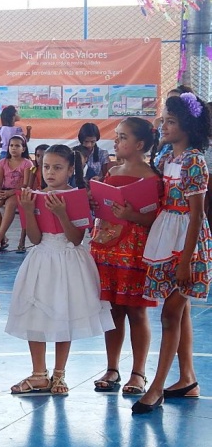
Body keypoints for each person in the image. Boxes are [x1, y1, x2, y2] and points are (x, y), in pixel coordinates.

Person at [7, 145, 114, 395]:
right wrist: (27, 210)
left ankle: (59, 373)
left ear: (70, 170)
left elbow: (75, 238)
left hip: (68, 260)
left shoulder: (76, 196)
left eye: (57, 167)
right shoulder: (35, 196)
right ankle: (38, 373)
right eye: (46, 167)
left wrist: (61, 213)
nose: (50, 172)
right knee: (35, 313)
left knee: (63, 313)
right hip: (41, 259)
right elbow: (35, 238)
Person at [133, 93, 212, 414]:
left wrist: (185, 260)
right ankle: (187, 379)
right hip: (166, 235)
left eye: (171, 121)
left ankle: (156, 387)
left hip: (186, 242)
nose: (163, 126)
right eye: (163, 120)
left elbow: (196, 215)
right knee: (180, 311)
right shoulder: (167, 156)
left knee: (170, 314)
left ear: (188, 127)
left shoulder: (194, 160)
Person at [90, 117, 162, 396]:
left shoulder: (153, 178)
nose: (116, 141)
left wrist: (132, 215)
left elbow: (157, 218)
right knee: (113, 310)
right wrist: (96, 201)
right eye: (117, 136)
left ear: (140, 144)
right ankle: (112, 367)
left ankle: (139, 372)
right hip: (107, 248)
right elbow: (105, 208)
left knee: (136, 310)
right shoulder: (112, 172)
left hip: (135, 252)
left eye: (122, 137)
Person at [0, 134, 32, 251]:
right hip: (4, 190)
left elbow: (25, 185)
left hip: (18, 192)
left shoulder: (27, 163)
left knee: (10, 204)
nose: (13, 148)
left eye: (17, 146)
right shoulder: (2, 162)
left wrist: (11, 193)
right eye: (11, 145)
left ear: (23, 149)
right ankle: (3, 238)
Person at [17, 144, 49, 253]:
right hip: (38, 195)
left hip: (48, 195)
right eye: (38, 156)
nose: (40, 159)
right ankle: (22, 241)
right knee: (26, 214)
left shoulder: (50, 170)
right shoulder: (34, 169)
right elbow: (29, 187)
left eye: (43, 156)